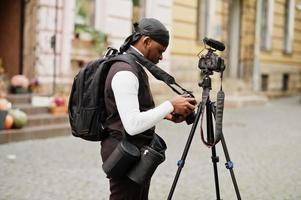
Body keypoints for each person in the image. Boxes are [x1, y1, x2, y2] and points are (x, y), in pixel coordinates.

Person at [101, 18, 196, 200]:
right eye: (160, 51)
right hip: (123, 153)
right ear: (146, 41)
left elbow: (130, 114)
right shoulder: (125, 71)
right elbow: (132, 125)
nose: (161, 57)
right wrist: (170, 104)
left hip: (132, 151)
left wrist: (166, 115)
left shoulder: (133, 66)